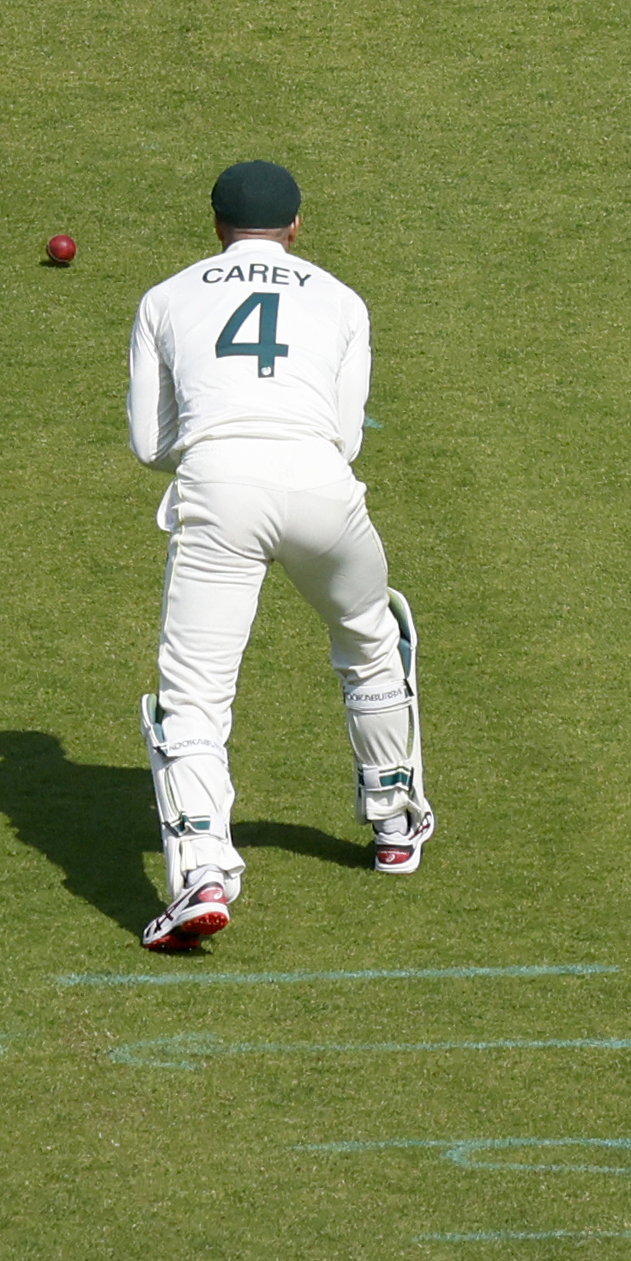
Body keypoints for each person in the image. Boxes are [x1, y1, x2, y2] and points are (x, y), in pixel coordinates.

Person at [122, 162, 432, 954]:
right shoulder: (342, 299)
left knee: (194, 694)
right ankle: (395, 824)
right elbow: (347, 436)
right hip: (323, 486)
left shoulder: (166, 297)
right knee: (371, 635)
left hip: (219, 490)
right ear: (296, 226)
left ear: (215, 226)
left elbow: (151, 444)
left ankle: (202, 872)